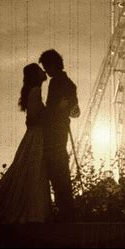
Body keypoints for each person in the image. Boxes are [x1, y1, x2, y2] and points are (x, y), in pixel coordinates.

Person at [0, 63, 51, 224]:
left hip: (35, 136)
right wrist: (50, 115)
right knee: (34, 172)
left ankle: (34, 212)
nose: (44, 70)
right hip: (36, 137)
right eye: (41, 69)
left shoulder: (33, 92)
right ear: (36, 75)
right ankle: (34, 213)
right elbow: (33, 118)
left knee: (29, 172)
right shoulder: (36, 91)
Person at [38, 49, 80, 222]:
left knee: (55, 169)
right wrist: (69, 108)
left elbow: (52, 109)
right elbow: (76, 112)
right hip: (61, 131)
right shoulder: (70, 84)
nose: (46, 72)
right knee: (60, 168)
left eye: (47, 67)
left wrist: (54, 111)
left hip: (54, 132)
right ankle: (66, 208)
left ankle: (64, 210)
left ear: (54, 65)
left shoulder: (56, 83)